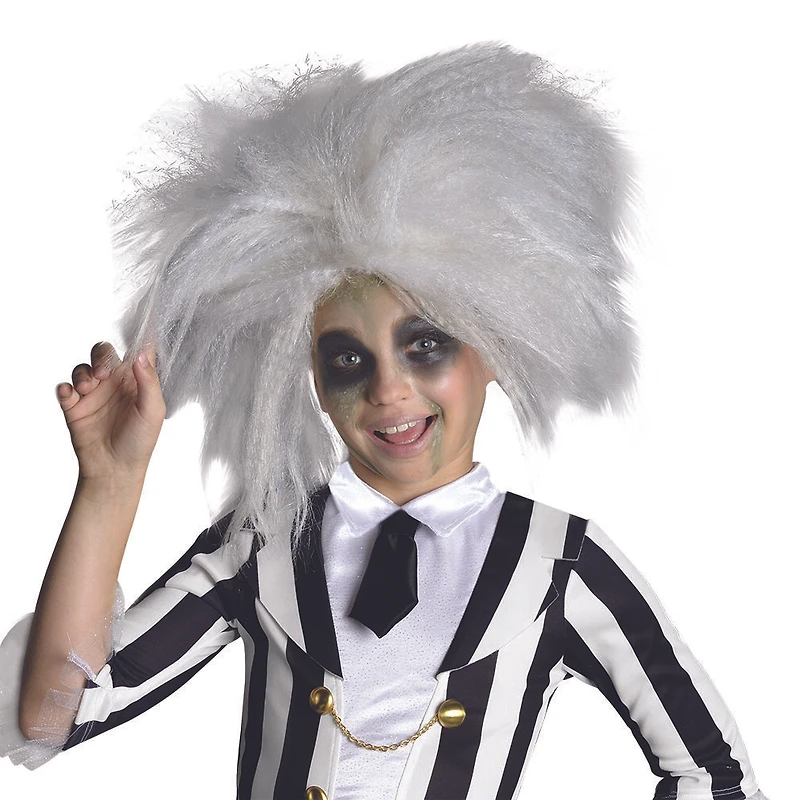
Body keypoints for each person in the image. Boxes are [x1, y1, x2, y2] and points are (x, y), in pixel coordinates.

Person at [0, 43, 769, 799]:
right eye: (346, 359)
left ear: (496, 347)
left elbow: (716, 775)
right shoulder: (265, 539)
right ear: (309, 373)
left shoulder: (559, 562)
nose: (388, 390)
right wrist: (111, 483)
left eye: (425, 345)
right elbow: (54, 716)